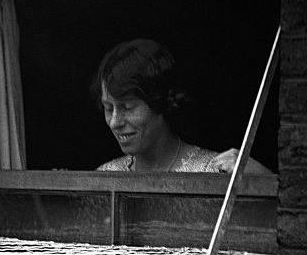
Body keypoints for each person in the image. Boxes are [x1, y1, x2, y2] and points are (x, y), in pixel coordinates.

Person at [93, 38, 272, 174]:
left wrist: (263, 179)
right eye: (109, 108)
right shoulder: (106, 175)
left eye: (128, 107)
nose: (115, 121)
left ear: (160, 102)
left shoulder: (213, 172)